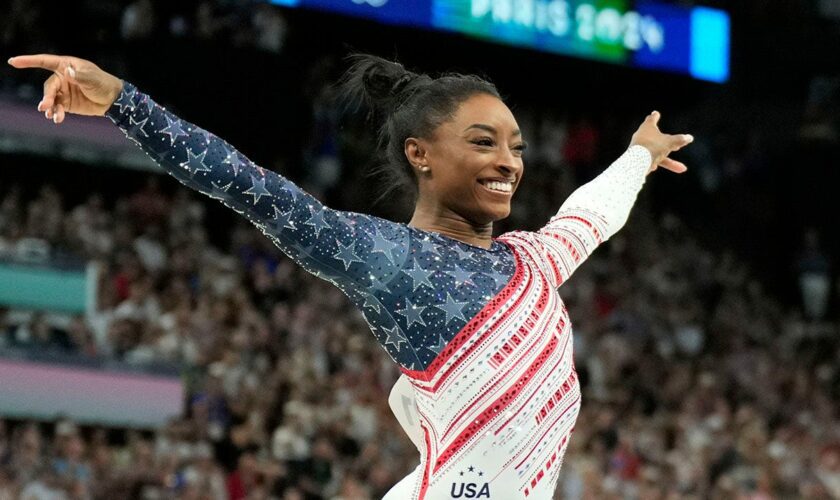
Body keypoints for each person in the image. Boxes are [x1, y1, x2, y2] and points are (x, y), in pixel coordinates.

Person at [8, 53, 693, 499]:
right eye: (483, 141)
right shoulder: (388, 259)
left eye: (515, 146)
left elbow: (590, 216)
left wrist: (636, 156)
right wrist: (125, 102)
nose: (509, 161)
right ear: (420, 154)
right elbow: (252, 188)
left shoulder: (532, 260)